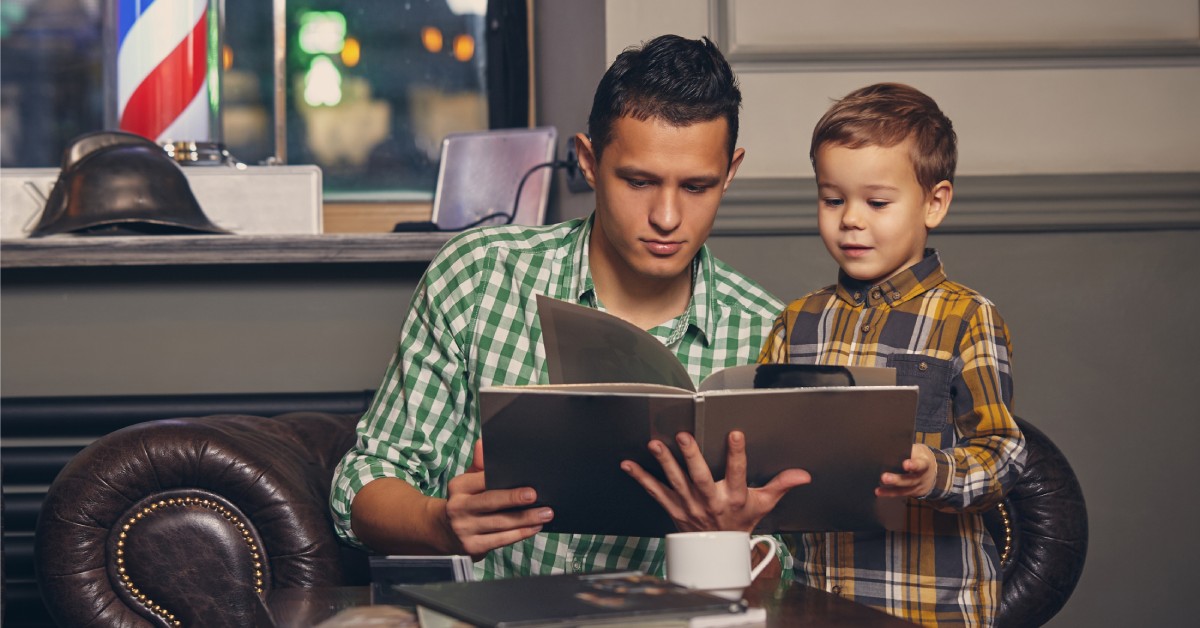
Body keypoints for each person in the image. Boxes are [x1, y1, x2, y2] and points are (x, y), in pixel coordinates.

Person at [330, 34, 810, 580]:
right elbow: (365, 480)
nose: (668, 217)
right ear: (588, 161)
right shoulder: (481, 275)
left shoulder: (767, 332)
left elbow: (790, 577)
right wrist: (438, 522)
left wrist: (728, 540)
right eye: (638, 181)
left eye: (697, 187)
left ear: (731, 173)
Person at [757, 82, 1028, 626]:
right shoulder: (797, 321)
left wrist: (936, 473)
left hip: (928, 608)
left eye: (876, 202)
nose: (851, 218)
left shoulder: (967, 317)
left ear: (934, 203)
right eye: (833, 199)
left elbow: (1005, 452)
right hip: (816, 603)